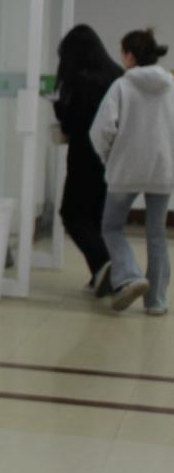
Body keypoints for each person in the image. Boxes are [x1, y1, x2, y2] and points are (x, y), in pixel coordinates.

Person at [89, 28, 174, 315]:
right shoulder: (171, 86)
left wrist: (107, 157)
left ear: (130, 55)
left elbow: (102, 130)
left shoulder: (122, 87)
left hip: (125, 170)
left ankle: (130, 276)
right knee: (157, 234)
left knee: (111, 226)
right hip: (162, 170)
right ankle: (156, 302)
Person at [53, 25, 123, 295]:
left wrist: (58, 106)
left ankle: (106, 266)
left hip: (85, 157)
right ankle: (101, 275)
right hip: (113, 158)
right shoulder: (117, 76)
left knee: (72, 214)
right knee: (97, 218)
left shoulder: (81, 82)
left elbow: (73, 124)